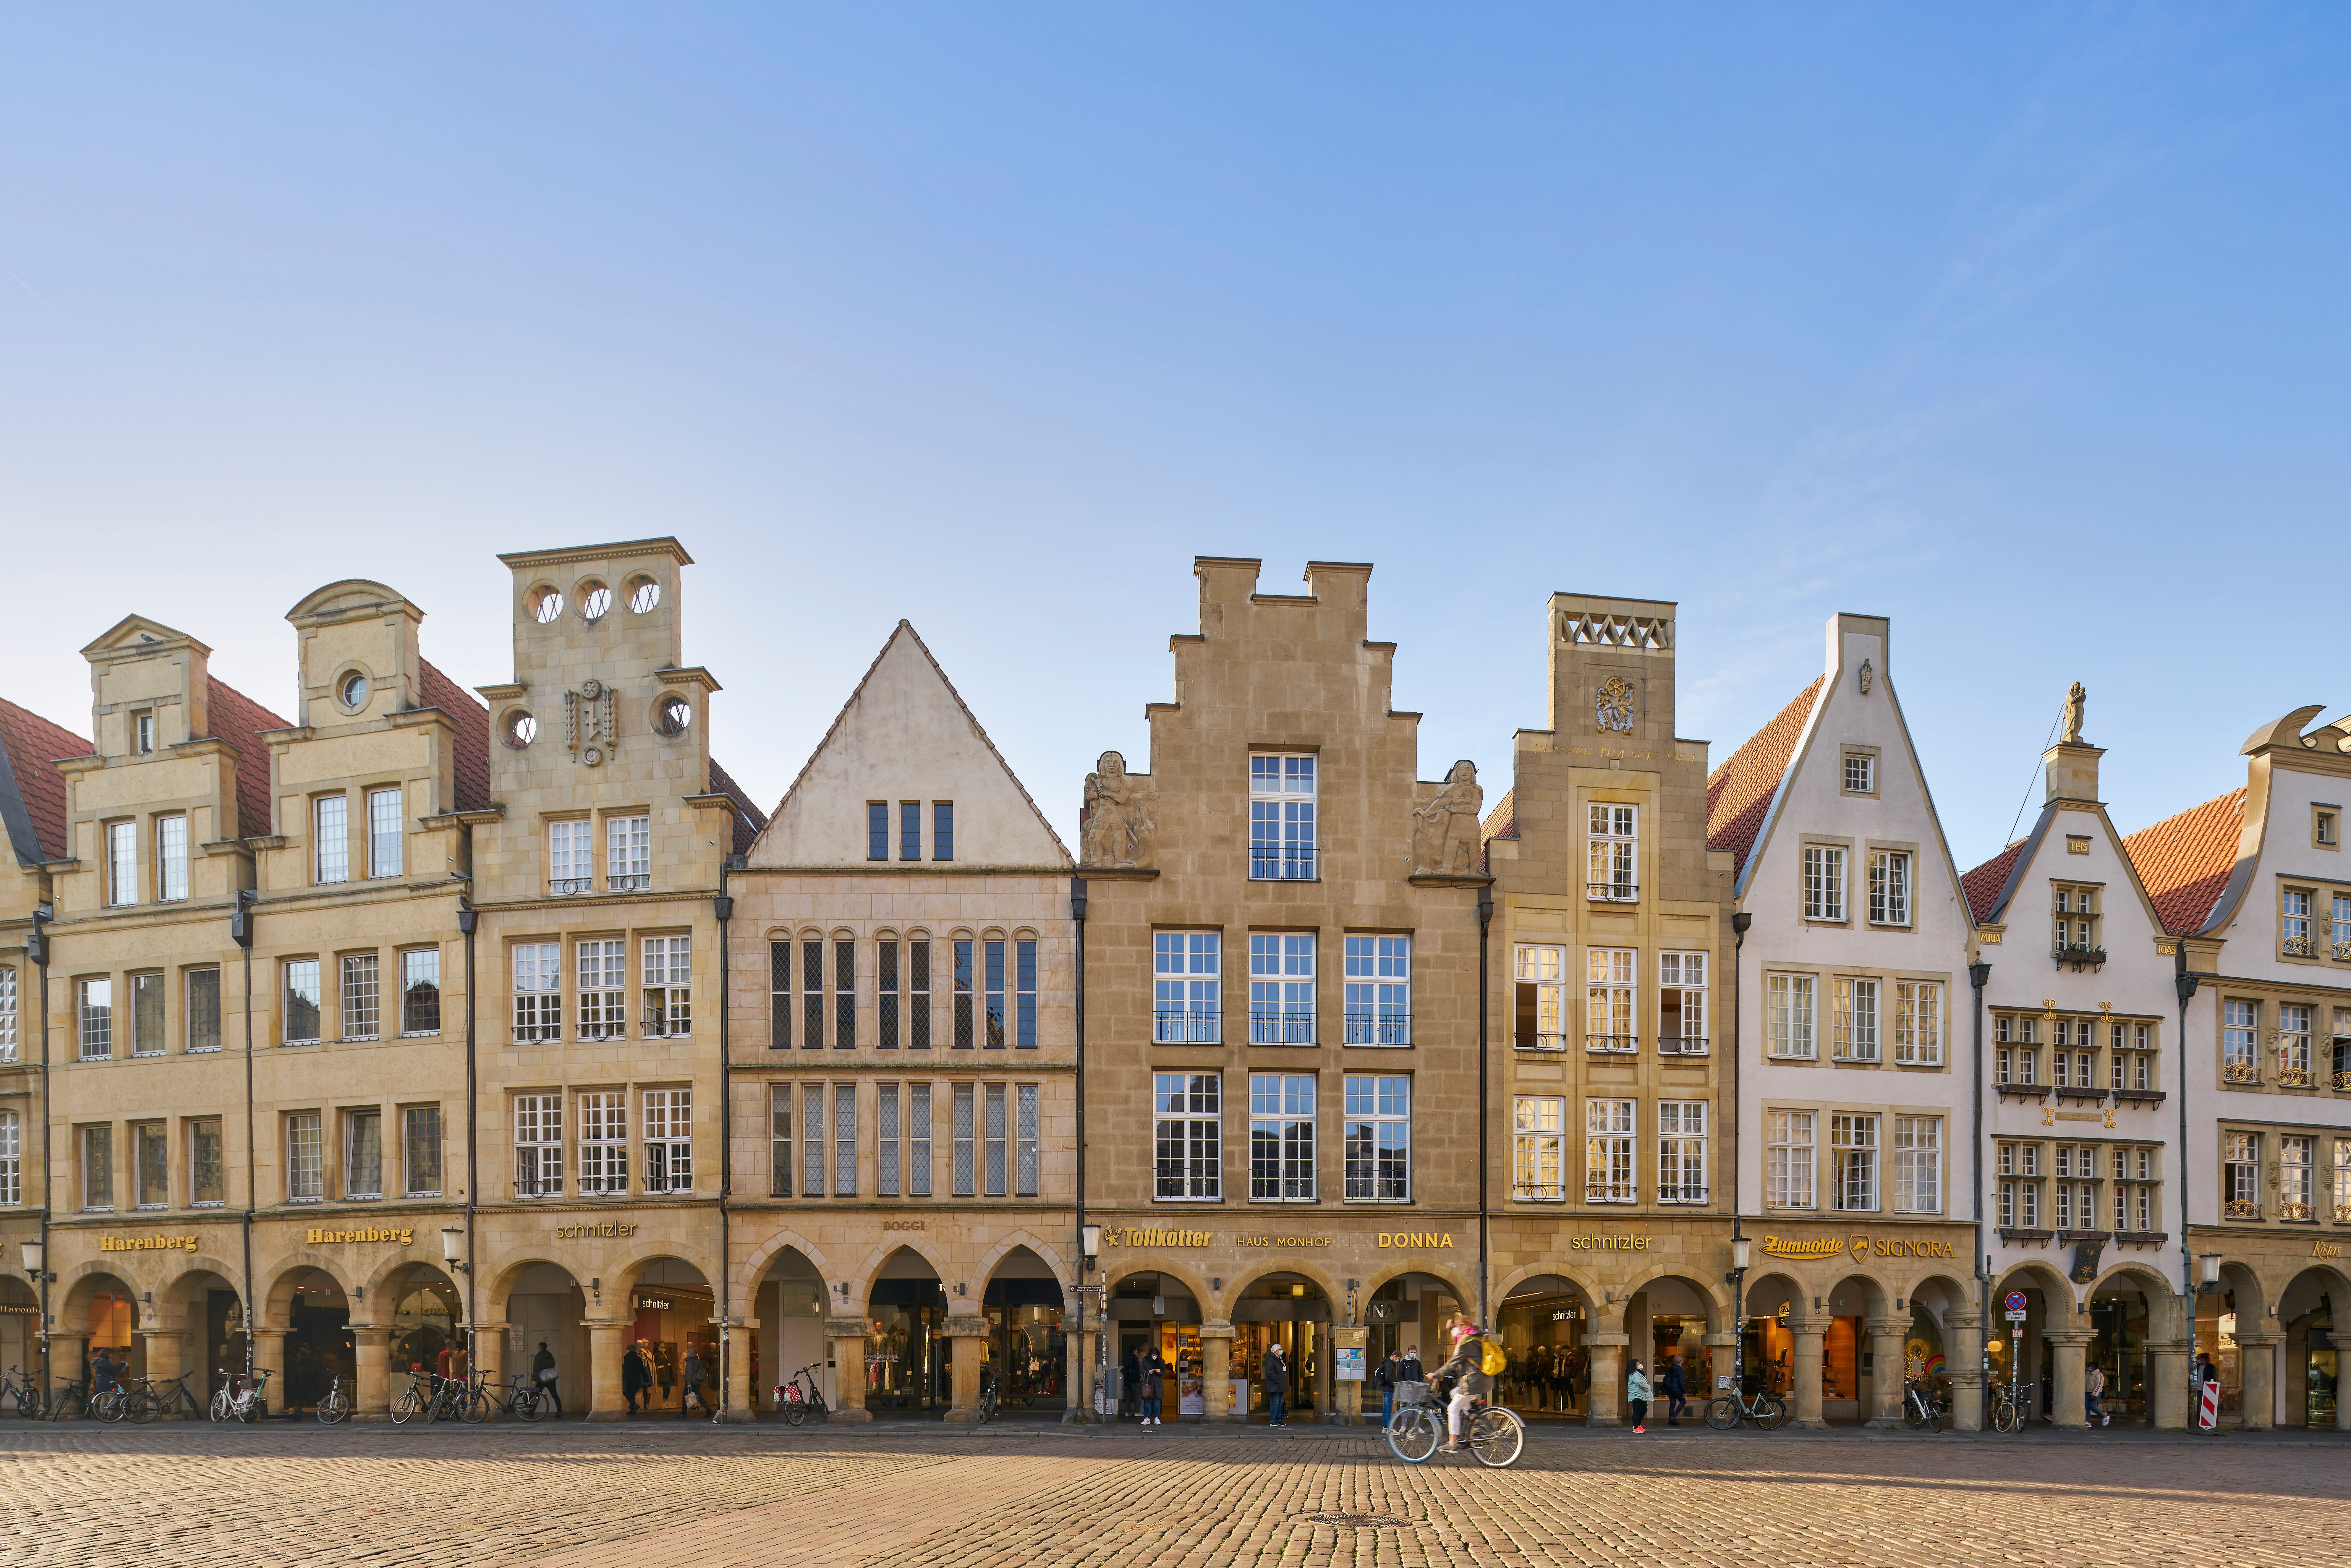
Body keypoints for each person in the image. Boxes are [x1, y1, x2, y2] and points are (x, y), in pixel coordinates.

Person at [1432, 1316, 1492, 1456]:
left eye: (1458, 1327)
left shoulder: (1466, 1341)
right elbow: (1457, 1335)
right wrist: (1451, 1328)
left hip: (1472, 1382)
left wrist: (1436, 1374)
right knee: (1454, 1393)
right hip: (1479, 1380)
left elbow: (1453, 1362)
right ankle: (1473, 1416)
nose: (1457, 1331)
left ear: (1464, 1327)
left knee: (1453, 1409)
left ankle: (1452, 1444)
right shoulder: (1474, 1337)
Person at [532, 1341, 563, 1419]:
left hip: (541, 1380)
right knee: (555, 1395)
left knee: (536, 1395)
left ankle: (531, 1412)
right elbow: (552, 1365)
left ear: (539, 1348)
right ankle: (560, 1411)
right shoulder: (550, 1356)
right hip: (550, 1379)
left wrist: (534, 1379)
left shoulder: (538, 1357)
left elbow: (536, 1369)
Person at [1139, 1343, 1168, 1426]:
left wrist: (1160, 1372)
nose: (1154, 1357)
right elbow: (1141, 1370)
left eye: (1156, 1356)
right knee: (1147, 1401)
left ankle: (1157, 1418)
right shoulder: (1145, 1360)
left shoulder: (1161, 1362)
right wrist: (1148, 1372)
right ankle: (1147, 1418)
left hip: (1157, 1384)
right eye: (1153, 1355)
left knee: (1157, 1401)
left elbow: (1164, 1372)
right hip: (1148, 1383)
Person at [1263, 1341, 1290, 1428]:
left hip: (1281, 1386)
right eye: (1280, 1350)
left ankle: (1279, 1420)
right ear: (1275, 1351)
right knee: (1275, 1403)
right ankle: (1273, 1420)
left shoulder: (1280, 1360)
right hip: (1275, 1386)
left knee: (1279, 1404)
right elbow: (1270, 1373)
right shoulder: (1271, 1360)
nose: (1281, 1351)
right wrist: (1278, 1380)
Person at [623, 1340, 655, 1414]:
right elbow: (643, 1370)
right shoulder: (638, 1358)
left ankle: (634, 1405)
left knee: (627, 1392)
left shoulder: (628, 1358)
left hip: (630, 1379)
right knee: (632, 1393)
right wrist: (647, 1379)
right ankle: (633, 1408)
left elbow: (627, 1370)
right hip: (637, 1379)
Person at [1374, 1351, 1401, 1430]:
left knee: (1386, 1409)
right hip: (1389, 1390)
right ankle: (1390, 1428)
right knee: (1389, 1409)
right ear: (1395, 1357)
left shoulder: (1386, 1363)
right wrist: (1394, 1385)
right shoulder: (1390, 1365)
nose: (1398, 1360)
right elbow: (1388, 1377)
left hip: (1386, 1390)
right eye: (1398, 1359)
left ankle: (1385, 1427)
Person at [1660, 1355, 1688, 1427]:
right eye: (1683, 1362)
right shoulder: (1680, 1370)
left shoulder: (1671, 1368)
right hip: (1677, 1389)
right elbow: (1682, 1382)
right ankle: (1673, 1417)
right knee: (1683, 1402)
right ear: (1681, 1362)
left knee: (1672, 1404)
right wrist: (1685, 1392)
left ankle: (1671, 1421)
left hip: (1670, 1389)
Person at [1626, 1359, 1653, 1434]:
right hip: (1636, 1395)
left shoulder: (1639, 1373)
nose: (1640, 1365)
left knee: (1644, 1410)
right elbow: (1640, 1383)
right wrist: (1647, 1389)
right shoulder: (1634, 1374)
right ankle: (1636, 1427)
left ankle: (1639, 1425)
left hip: (1641, 1395)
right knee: (1637, 1411)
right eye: (1638, 1365)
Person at [681, 1345, 707, 1417]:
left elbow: (690, 1373)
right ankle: (709, 1410)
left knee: (685, 1396)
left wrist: (689, 1383)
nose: (687, 1354)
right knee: (700, 1397)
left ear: (691, 1353)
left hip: (691, 1382)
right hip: (697, 1381)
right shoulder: (698, 1361)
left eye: (688, 1352)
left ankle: (683, 1413)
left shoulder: (690, 1361)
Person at [1121, 1347, 1141, 1421]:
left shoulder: (1126, 1358)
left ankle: (1127, 1412)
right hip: (1134, 1380)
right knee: (1136, 1395)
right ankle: (1137, 1412)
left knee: (1128, 1396)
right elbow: (1137, 1368)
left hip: (1127, 1379)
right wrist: (1139, 1377)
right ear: (1135, 1351)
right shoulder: (1135, 1358)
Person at [2086, 1362, 2107, 1427]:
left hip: (2095, 1393)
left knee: (2092, 1406)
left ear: (2095, 1367)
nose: (2089, 1367)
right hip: (2086, 1392)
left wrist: (2095, 1394)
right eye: (2089, 1366)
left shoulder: (2099, 1375)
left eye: (2091, 1366)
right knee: (2086, 1407)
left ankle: (2104, 1417)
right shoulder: (2087, 1374)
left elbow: (2099, 1385)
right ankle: (2087, 1422)